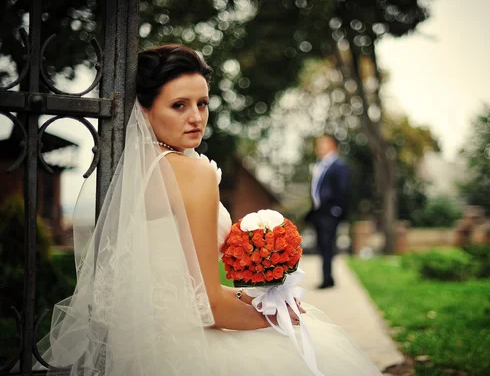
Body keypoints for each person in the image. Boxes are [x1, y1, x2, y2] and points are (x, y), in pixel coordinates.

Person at [35, 45, 381, 376]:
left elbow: (182, 285)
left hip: (139, 347)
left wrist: (250, 296)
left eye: (202, 104)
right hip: (189, 345)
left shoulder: (132, 171)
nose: (196, 117)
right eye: (179, 105)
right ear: (144, 110)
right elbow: (209, 306)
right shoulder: (193, 173)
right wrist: (278, 316)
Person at [304, 135, 350, 289]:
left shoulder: (338, 166)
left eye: (322, 145)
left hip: (329, 213)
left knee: (327, 244)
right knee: (322, 246)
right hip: (319, 212)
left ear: (331, 146)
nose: (318, 148)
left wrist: (335, 210)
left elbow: (343, 190)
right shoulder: (320, 165)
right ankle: (327, 277)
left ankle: (327, 279)